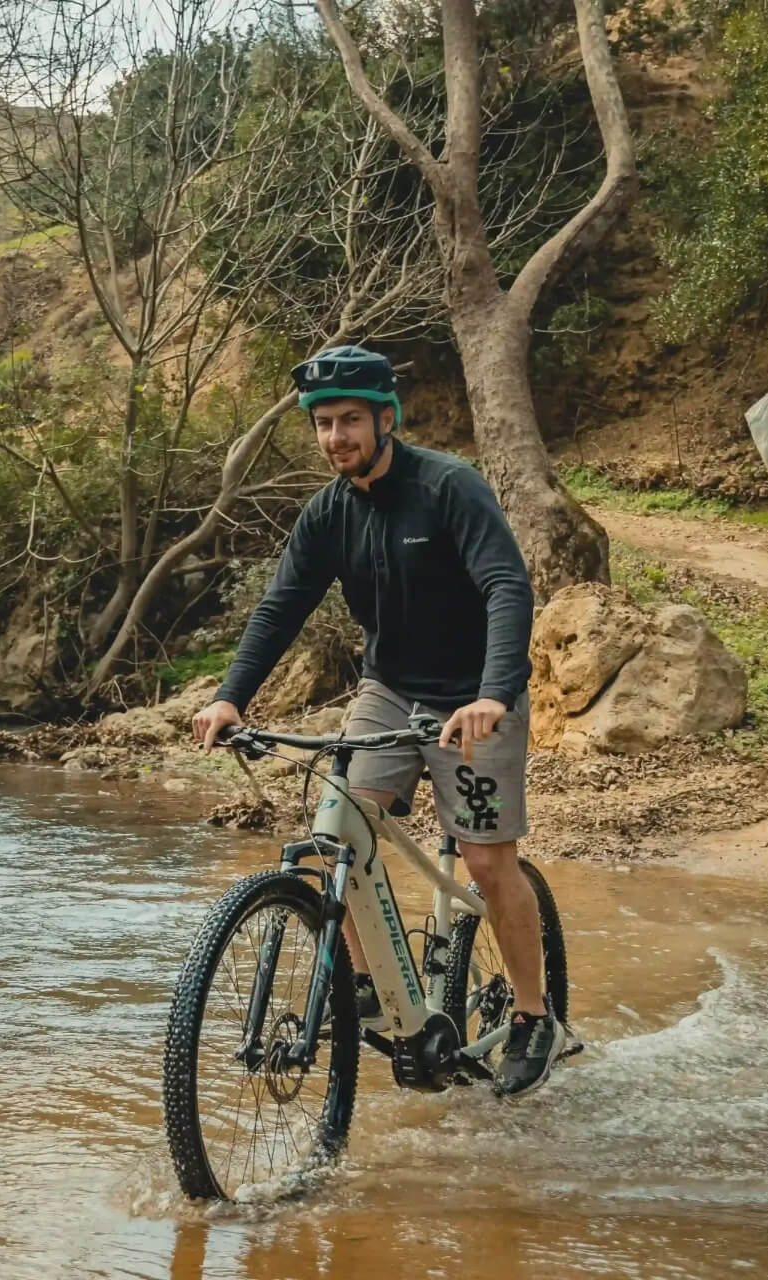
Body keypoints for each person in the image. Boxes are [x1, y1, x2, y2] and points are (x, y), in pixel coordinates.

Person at [191, 344, 568, 1097]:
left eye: (351, 421)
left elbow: (504, 586)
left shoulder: (448, 487)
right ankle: (364, 985)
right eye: (325, 424)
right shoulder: (328, 512)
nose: (337, 437)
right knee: (340, 832)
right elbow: (280, 607)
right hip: (391, 689)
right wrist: (231, 694)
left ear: (385, 420)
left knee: (491, 863)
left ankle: (532, 1016)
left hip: (473, 697)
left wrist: (495, 691)